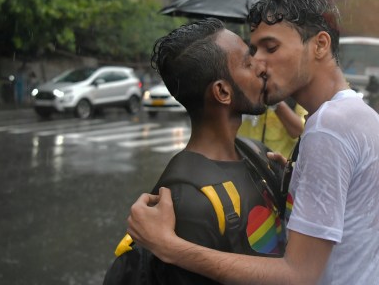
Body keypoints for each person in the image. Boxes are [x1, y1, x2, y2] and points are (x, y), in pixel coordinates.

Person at [126, 0, 379, 285]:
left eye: (271, 48)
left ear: (320, 45)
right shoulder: (364, 118)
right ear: (221, 91)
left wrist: (169, 247)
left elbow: (298, 275)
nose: (259, 64)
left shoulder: (329, 128)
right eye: (252, 54)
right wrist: (297, 185)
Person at [117, 18, 285, 283]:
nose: (261, 67)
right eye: (248, 63)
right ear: (222, 92)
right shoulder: (186, 201)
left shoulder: (259, 154)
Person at [238, 97, 306, 157]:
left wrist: (276, 102)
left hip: (275, 167)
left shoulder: (293, 90)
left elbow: (300, 133)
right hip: (242, 161)